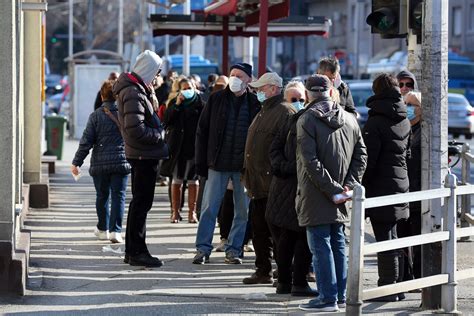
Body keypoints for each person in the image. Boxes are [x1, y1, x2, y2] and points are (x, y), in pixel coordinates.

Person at [296, 74, 367, 312]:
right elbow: (361, 156)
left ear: (308, 94)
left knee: (320, 246)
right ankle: (339, 295)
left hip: (316, 193)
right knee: (337, 244)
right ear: (329, 92)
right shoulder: (349, 118)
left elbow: (309, 161)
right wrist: (347, 186)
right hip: (341, 194)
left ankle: (327, 298)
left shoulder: (307, 119)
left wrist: (333, 188)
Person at [193, 62, 260, 265]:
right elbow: (202, 131)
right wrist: (201, 163)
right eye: (232, 74)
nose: (235, 79)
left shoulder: (255, 103)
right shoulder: (216, 99)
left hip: (243, 167)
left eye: (240, 75)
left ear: (249, 80)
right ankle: (202, 249)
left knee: (243, 210)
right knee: (209, 208)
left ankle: (234, 249)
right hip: (218, 163)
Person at [113, 50, 168, 268]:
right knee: (141, 204)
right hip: (143, 154)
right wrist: (161, 135)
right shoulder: (133, 92)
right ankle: (137, 251)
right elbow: (135, 129)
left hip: (143, 153)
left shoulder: (136, 89)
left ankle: (134, 250)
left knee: (140, 204)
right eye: (157, 71)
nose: (157, 76)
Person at [241, 72, 295, 285]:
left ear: (273, 88)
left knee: (278, 233)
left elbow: (287, 149)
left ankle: (284, 273)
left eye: (261, 89)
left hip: (273, 184)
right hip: (257, 184)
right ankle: (263, 270)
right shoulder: (263, 111)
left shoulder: (284, 112)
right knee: (259, 231)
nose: (257, 92)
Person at [362, 73, 411, 301]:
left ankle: (387, 288)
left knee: (385, 239)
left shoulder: (375, 121)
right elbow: (406, 153)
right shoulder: (403, 118)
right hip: (401, 184)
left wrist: (361, 185)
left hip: (381, 186)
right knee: (395, 239)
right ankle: (397, 288)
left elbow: (369, 161)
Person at [265, 80, 316, 296]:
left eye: (300, 100)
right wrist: (286, 167)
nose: (297, 103)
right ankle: (294, 282)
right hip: (289, 187)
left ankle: (288, 282)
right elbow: (274, 148)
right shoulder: (291, 121)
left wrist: (284, 167)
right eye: (293, 100)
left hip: (292, 185)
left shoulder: (300, 119)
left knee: (292, 238)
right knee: (292, 239)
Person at [71, 80, 131, 244]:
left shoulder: (95, 116)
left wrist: (77, 162)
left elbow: (86, 142)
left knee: (102, 196)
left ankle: (103, 229)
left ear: (102, 95)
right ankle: (116, 231)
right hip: (121, 161)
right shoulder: (124, 113)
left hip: (100, 163)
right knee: (119, 196)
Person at [160, 78, 204, 223]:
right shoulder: (174, 103)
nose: (187, 91)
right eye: (184, 88)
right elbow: (166, 121)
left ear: (195, 88)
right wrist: (177, 105)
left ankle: (192, 213)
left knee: (193, 181)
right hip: (177, 148)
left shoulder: (200, 103)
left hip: (194, 148)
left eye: (189, 87)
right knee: (176, 180)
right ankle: (175, 212)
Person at [405, 91, 422, 280]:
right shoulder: (403, 129)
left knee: (417, 237)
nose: (408, 108)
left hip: (418, 192)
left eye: (413, 104)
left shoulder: (424, 132)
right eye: (406, 104)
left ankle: (417, 275)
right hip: (404, 190)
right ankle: (406, 276)